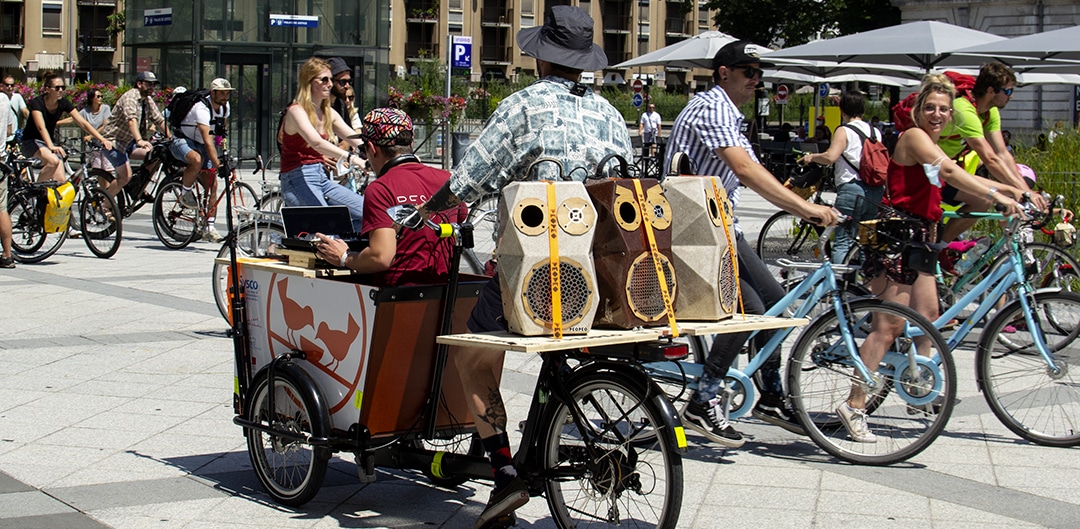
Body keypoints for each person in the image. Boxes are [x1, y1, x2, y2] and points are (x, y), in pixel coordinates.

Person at [408, 7, 633, 527]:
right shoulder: (610, 114)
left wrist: (427, 213)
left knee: (471, 355)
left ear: (540, 58)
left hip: (535, 269)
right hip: (600, 273)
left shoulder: (523, 107)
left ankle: (506, 473)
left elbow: (470, 179)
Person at [662, 40, 838, 448]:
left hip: (717, 225)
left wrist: (796, 191)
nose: (756, 81)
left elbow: (747, 171)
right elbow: (743, 167)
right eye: (749, 73)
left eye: (760, 74)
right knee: (758, 308)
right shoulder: (713, 107)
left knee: (773, 302)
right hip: (699, 229)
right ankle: (703, 399)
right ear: (725, 72)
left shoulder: (729, 113)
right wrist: (803, 210)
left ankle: (771, 396)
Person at [846, 74, 1024, 443]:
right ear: (916, 109)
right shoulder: (914, 138)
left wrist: (1013, 190)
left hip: (922, 238)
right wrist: (1002, 194)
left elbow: (957, 180)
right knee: (889, 327)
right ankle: (854, 404)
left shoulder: (935, 142)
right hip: (898, 238)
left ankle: (916, 385)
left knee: (929, 317)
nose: (938, 114)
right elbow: (948, 171)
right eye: (931, 108)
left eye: (945, 109)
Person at [314, 108, 464, 286]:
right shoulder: (446, 179)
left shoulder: (381, 189)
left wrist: (344, 257)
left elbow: (381, 257)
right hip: (443, 295)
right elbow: (460, 219)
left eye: (364, 150)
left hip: (396, 299)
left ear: (372, 148)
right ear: (411, 141)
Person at [937, 63, 1045, 242]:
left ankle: (941, 246)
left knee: (983, 201)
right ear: (990, 91)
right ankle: (937, 249)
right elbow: (990, 158)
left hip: (948, 169)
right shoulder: (964, 110)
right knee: (985, 198)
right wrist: (1026, 193)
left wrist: (1026, 191)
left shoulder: (989, 112)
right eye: (1008, 91)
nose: (1011, 96)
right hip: (929, 169)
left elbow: (1002, 153)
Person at [278, 57, 365, 232]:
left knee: (368, 214)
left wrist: (386, 155)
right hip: (297, 178)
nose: (330, 84)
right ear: (309, 82)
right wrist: (354, 159)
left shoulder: (328, 112)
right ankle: (279, 241)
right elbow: (316, 142)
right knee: (327, 224)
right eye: (323, 80)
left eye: (331, 79)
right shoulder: (296, 111)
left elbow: (354, 137)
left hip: (321, 177)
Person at [799, 91, 884, 263]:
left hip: (851, 190)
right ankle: (861, 286)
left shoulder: (844, 130)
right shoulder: (875, 132)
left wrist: (812, 157)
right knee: (865, 243)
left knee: (843, 242)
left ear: (842, 110)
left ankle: (837, 287)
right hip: (875, 191)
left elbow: (831, 157)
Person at [171, 78, 234, 242]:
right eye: (221, 93)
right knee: (196, 160)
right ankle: (185, 193)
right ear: (212, 93)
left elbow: (220, 132)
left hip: (200, 142)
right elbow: (208, 140)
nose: (225, 97)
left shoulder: (225, 107)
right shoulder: (201, 109)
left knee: (212, 184)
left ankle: (210, 227)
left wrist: (223, 152)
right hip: (182, 139)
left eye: (227, 93)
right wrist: (218, 164)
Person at [21, 72, 113, 183]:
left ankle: (45, 197)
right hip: (31, 142)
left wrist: (102, 139)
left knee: (60, 181)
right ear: (47, 89)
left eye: (62, 87)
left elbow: (83, 123)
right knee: (53, 161)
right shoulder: (37, 102)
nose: (60, 90)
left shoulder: (63, 103)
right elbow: (41, 127)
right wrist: (51, 146)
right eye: (57, 87)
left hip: (48, 143)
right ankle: (35, 192)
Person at [100, 71, 170, 199]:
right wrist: (139, 140)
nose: (152, 87)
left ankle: (138, 186)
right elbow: (131, 120)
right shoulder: (130, 97)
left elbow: (159, 120)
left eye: (153, 85)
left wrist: (170, 137)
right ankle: (103, 205)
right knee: (125, 177)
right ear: (139, 84)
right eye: (148, 84)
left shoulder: (147, 100)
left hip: (129, 143)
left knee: (157, 155)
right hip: (114, 142)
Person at [0, 83, 11, 269]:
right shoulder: (4, 99)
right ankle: (7, 255)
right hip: (1, 159)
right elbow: (9, 130)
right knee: (2, 208)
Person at [326, 57, 352, 127]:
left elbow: (348, 134)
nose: (347, 86)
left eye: (349, 81)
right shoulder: (316, 104)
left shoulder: (341, 105)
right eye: (342, 82)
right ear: (331, 81)